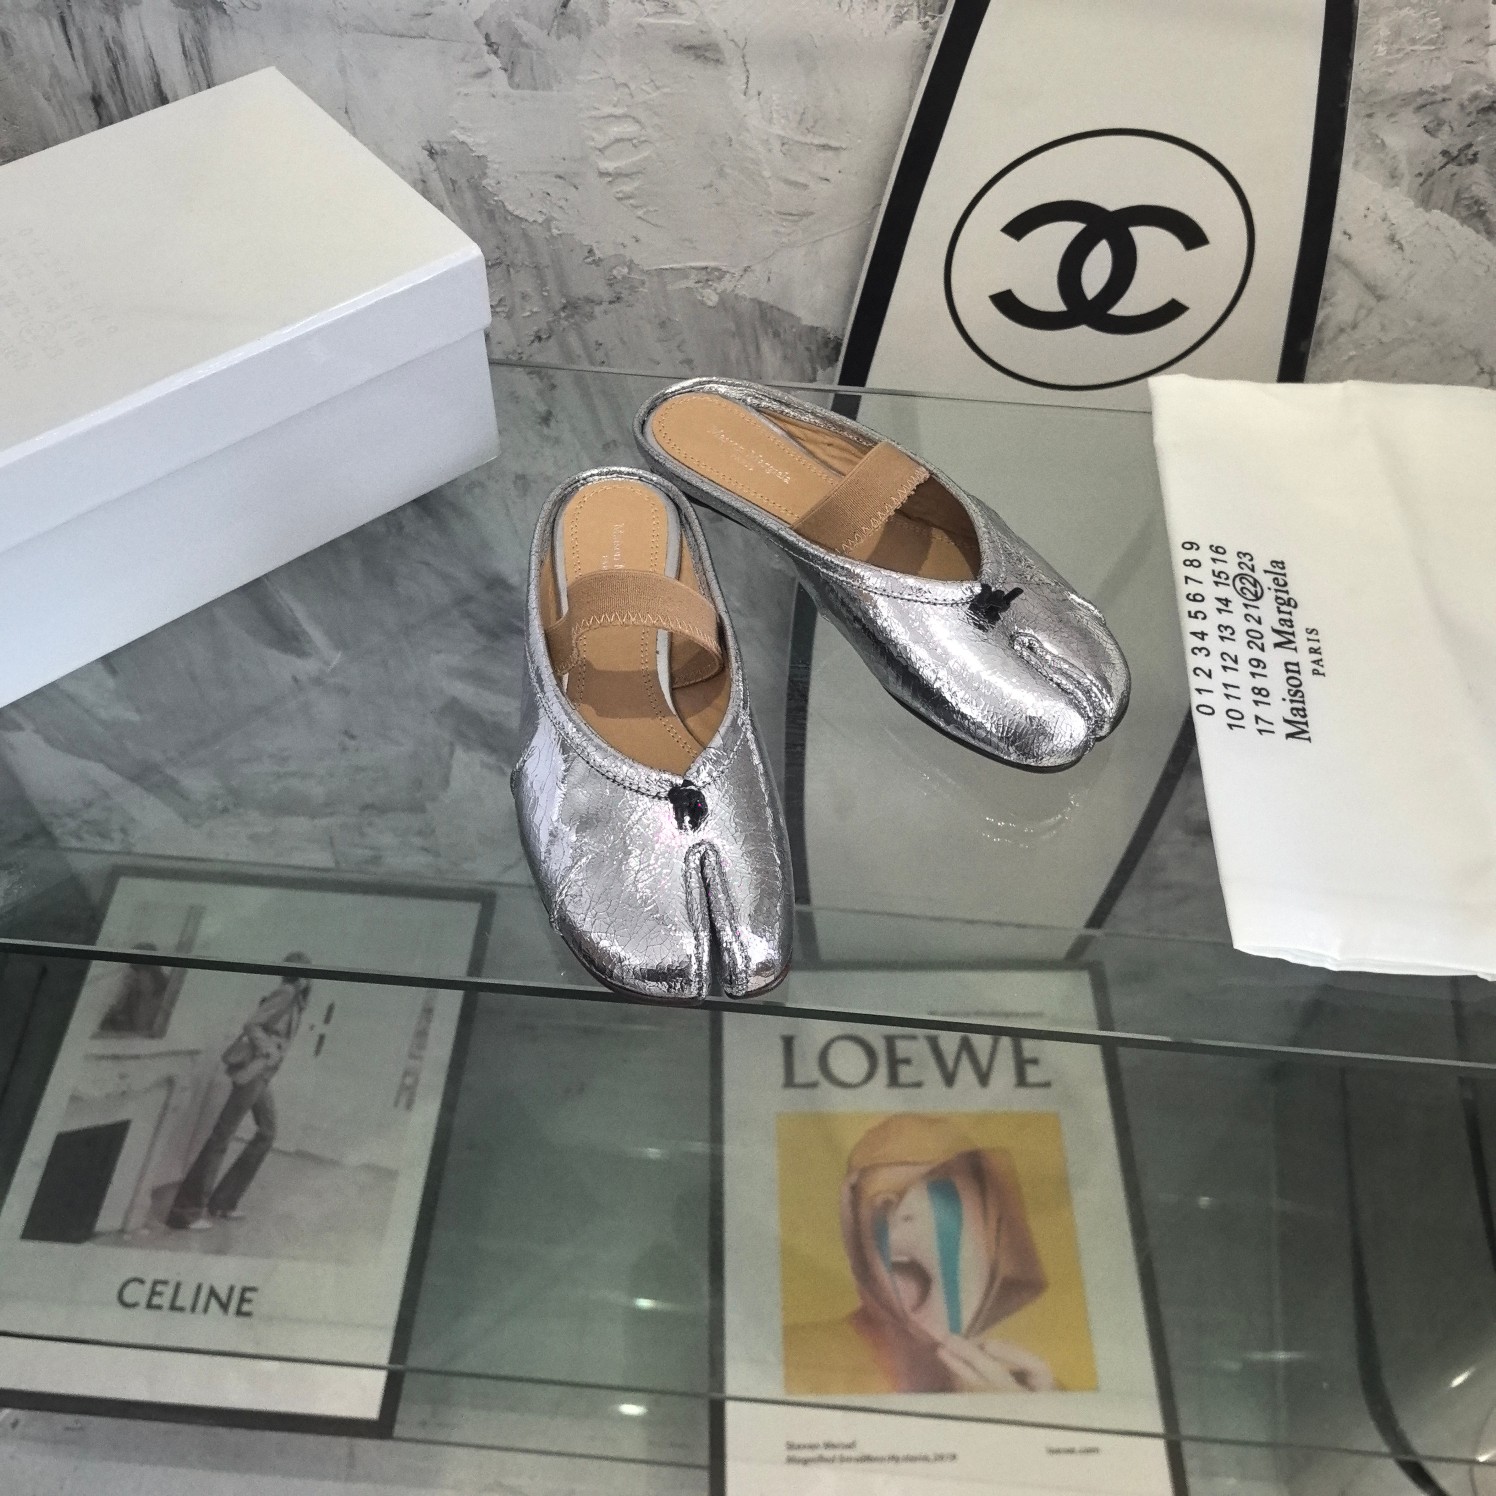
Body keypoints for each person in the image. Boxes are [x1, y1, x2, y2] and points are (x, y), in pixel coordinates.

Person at [783, 1114, 1059, 1395]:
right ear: (857, 1240)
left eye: (942, 1195)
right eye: (883, 1202)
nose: (903, 1212)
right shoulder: (793, 1364)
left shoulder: (1035, 1388)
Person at [166, 955, 313, 1232]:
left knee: (267, 1133)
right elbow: (252, 1024)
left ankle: (223, 1202)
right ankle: (185, 1212)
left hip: (263, 1074)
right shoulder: (286, 993)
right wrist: (268, 1051)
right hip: (254, 1070)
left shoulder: (296, 999)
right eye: (309, 974)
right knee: (223, 1135)